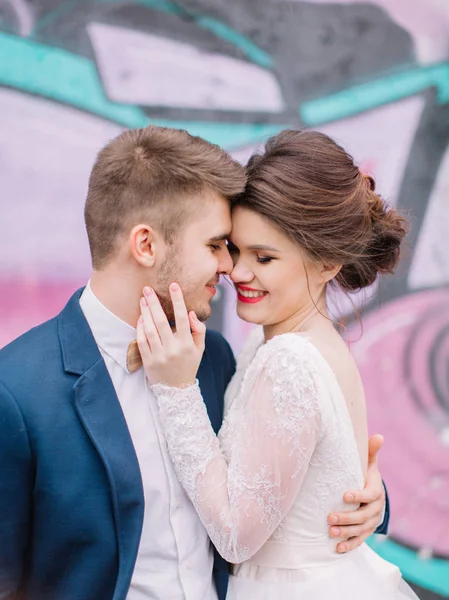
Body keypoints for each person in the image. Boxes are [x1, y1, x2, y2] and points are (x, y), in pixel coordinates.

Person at [0, 126, 387, 600]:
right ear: (146, 245)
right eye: (216, 245)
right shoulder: (17, 395)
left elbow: (279, 482)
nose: (230, 267)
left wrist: (366, 500)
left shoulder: (217, 359)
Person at [136, 129, 417, 599]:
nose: (238, 272)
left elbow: (235, 538)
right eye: (235, 249)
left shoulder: (290, 359)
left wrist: (176, 391)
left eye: (264, 258)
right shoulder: (289, 344)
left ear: (327, 262)